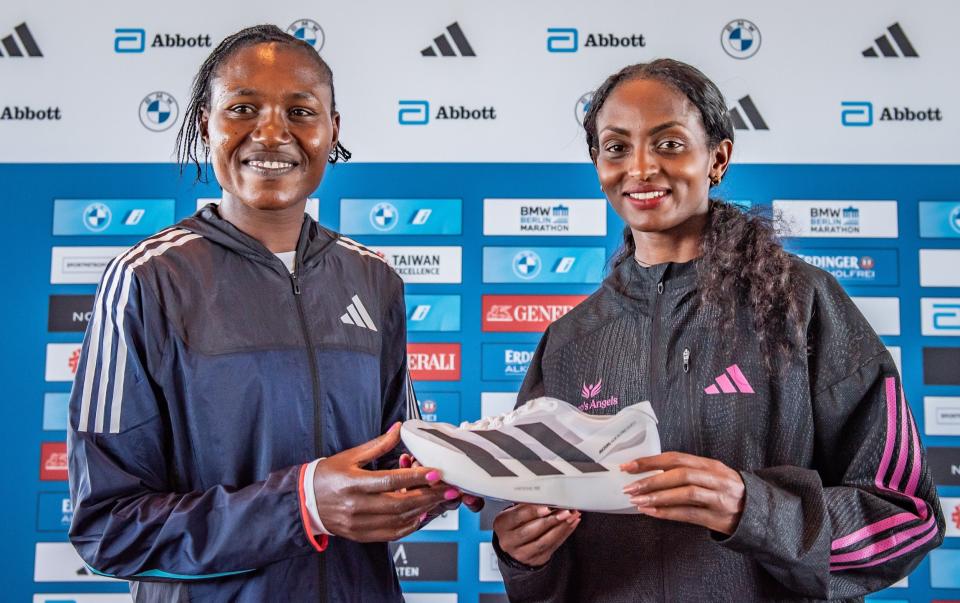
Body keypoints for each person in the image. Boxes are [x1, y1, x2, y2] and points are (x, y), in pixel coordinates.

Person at [491, 59, 945, 602]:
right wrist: (523, 555)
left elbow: (907, 516)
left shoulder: (802, 306)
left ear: (718, 158)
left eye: (669, 144)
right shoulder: (569, 341)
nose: (640, 167)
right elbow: (543, 548)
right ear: (597, 164)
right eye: (616, 147)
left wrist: (752, 510)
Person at [67, 25, 477, 602]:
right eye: (242, 108)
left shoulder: (375, 278)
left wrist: (449, 476)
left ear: (333, 130)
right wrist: (302, 504)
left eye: (300, 111)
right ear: (204, 125)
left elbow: (392, 456)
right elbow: (108, 527)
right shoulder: (147, 278)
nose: (271, 133)